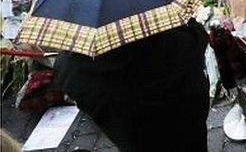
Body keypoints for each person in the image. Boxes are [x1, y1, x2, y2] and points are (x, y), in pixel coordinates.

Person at [54, 20, 210, 152]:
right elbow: (198, 40)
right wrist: (191, 23)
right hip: (184, 123)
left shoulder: (68, 66)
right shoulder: (165, 40)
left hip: (131, 137)